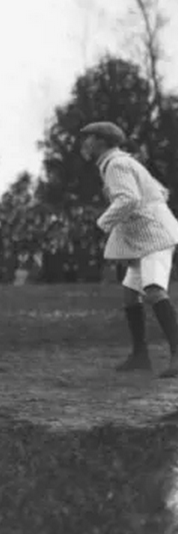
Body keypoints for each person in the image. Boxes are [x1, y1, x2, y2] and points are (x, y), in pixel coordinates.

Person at [80, 121, 178, 376]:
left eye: (89, 138)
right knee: (130, 293)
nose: (85, 143)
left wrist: (102, 223)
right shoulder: (121, 162)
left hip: (156, 236)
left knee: (153, 289)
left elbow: (129, 199)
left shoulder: (116, 164)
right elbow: (161, 192)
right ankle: (140, 356)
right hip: (147, 236)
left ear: (102, 141)